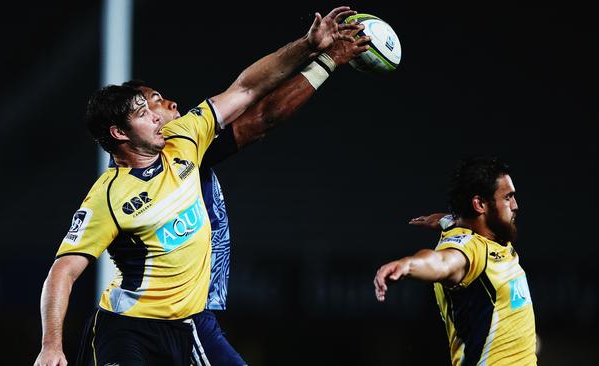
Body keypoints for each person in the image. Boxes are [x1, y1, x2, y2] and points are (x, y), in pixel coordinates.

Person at [33, 6, 363, 366]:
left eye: (152, 106)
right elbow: (63, 271)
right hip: (129, 329)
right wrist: (51, 344)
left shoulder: (185, 138)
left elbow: (248, 88)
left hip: (191, 322)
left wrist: (309, 46)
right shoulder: (108, 197)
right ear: (119, 133)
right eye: (145, 112)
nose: (160, 115)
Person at [122, 32, 369, 365]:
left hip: (173, 314)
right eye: (155, 99)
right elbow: (260, 114)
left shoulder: (164, 157)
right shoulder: (168, 156)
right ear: (130, 122)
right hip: (173, 316)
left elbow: (250, 96)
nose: (171, 104)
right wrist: (325, 59)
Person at [373, 156, 536, 365]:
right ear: (480, 205)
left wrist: (445, 219)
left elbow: (458, 223)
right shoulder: (471, 249)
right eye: (507, 198)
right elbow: (441, 262)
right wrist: (408, 265)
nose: (515, 205)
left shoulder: (492, 236)